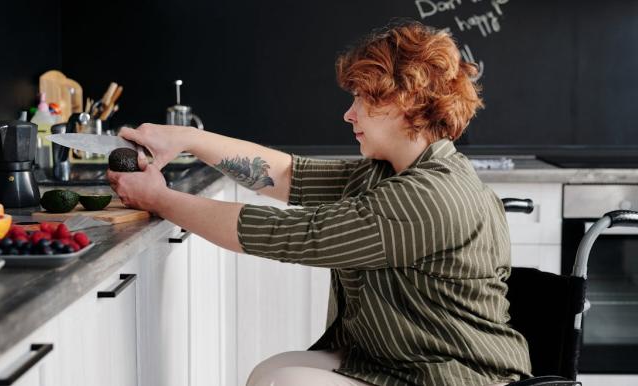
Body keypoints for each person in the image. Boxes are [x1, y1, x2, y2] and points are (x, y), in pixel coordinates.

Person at [109, 21, 532, 386]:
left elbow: (286, 234)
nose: (350, 114)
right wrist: (185, 139)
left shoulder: (426, 197)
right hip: (399, 362)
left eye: (362, 98)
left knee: (280, 381)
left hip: (450, 377)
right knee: (273, 373)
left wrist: (158, 198)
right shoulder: (388, 171)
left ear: (405, 100)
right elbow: (288, 175)